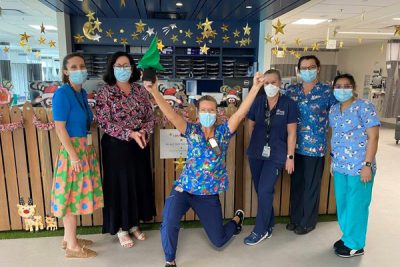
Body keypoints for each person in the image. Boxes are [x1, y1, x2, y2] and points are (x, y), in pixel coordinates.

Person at [144, 72, 265, 267]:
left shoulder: (224, 132)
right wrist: (154, 91)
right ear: (198, 113)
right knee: (168, 223)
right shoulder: (191, 130)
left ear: (217, 113)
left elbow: (241, 112)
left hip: (207, 195)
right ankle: (170, 261)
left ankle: (236, 220)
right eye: (204, 110)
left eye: (211, 110)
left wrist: (256, 88)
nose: (207, 113)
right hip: (184, 189)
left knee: (218, 241)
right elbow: (170, 113)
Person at [95, 51, 156, 248]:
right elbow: (103, 121)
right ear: (112, 68)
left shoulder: (140, 91)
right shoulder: (104, 92)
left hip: (139, 144)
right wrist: (129, 133)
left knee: (138, 182)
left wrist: (144, 131)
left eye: (126, 65)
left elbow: (150, 116)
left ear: (132, 68)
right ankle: (121, 227)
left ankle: (134, 223)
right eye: (119, 65)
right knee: (119, 185)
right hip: (116, 145)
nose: (123, 69)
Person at [51, 52, 103, 258]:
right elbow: (60, 128)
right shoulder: (62, 93)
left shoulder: (80, 93)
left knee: (73, 194)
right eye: (73, 67)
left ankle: (68, 239)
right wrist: (73, 157)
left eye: (82, 66)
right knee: (70, 197)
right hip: (72, 151)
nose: (79, 70)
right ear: (65, 72)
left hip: (84, 149)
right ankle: (73, 248)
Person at [285, 55, 337, 235]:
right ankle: (295, 218)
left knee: (311, 185)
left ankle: (308, 222)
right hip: (293, 147)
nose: (307, 71)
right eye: (304, 68)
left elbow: (338, 116)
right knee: (297, 184)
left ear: (318, 68)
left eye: (311, 67)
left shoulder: (327, 92)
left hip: (315, 149)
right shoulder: (292, 91)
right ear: (298, 71)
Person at [244, 69, 298, 245]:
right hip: (256, 153)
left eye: (273, 82)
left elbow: (292, 133)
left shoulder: (289, 104)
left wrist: (290, 157)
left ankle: (260, 230)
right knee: (261, 191)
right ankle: (270, 222)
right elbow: (250, 125)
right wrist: (254, 146)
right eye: (266, 83)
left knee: (266, 190)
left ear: (280, 83)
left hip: (276, 154)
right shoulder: (258, 102)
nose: (270, 86)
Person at [329, 74, 380, 257]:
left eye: (346, 86)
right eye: (339, 86)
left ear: (353, 87)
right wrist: (332, 160)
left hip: (360, 166)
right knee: (343, 203)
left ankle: (356, 244)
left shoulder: (365, 107)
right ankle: (347, 236)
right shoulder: (334, 109)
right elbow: (335, 135)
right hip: (340, 165)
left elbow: (373, 137)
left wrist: (367, 164)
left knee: (357, 204)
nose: (342, 89)